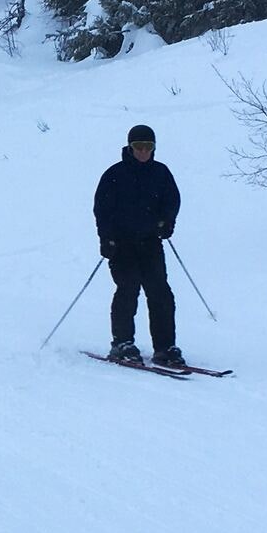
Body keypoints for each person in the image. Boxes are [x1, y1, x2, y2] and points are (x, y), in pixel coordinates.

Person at [93, 124, 185, 368]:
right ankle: (122, 343)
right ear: (130, 147)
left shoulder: (161, 173)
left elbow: (172, 201)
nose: (143, 151)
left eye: (148, 146)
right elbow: (102, 210)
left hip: (150, 243)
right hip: (121, 245)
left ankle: (165, 347)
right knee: (128, 288)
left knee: (160, 292)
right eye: (138, 146)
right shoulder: (114, 174)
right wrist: (106, 238)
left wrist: (167, 222)